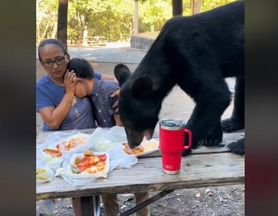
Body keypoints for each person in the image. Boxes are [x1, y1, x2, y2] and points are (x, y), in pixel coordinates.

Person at [68, 57, 149, 216]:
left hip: (129, 146)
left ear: (79, 81)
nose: (71, 92)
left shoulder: (110, 91)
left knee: (139, 187)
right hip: (112, 149)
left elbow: (121, 127)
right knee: (107, 189)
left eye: (71, 87)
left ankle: (143, 213)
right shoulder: (92, 94)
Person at [36, 38, 116, 132]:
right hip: (57, 142)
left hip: (87, 139)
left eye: (59, 59)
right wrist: (69, 92)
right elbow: (52, 123)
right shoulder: (41, 88)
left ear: (67, 58)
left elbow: (114, 80)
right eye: (48, 62)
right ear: (42, 65)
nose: (55, 66)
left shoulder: (78, 74)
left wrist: (122, 91)